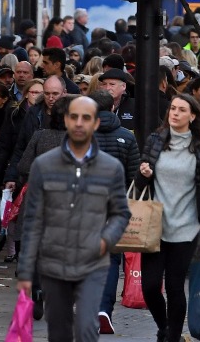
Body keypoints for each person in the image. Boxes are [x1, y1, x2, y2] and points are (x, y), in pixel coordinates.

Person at [16, 96, 131, 342]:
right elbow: (32, 220)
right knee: (59, 331)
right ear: (66, 120)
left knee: (86, 328)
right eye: (74, 117)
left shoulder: (111, 168)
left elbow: (121, 213)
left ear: (96, 123)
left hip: (92, 262)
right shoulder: (44, 166)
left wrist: (105, 240)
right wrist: (26, 273)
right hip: (53, 262)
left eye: (86, 118)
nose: (79, 123)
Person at [135, 94, 200, 342]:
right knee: (149, 287)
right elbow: (138, 183)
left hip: (186, 227)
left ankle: (172, 336)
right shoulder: (155, 140)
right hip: (155, 225)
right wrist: (144, 173)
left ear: (192, 116)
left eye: (182, 110)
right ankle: (164, 326)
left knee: (174, 287)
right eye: (172, 108)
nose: (174, 113)